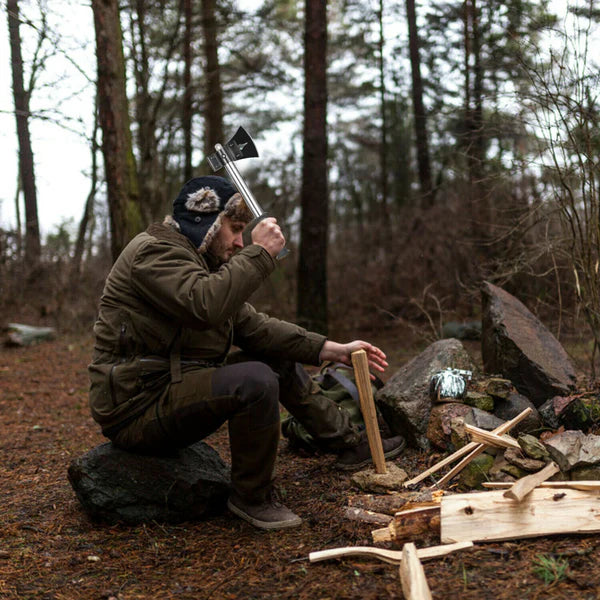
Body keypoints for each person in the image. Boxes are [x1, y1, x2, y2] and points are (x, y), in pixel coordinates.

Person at [88, 175, 405, 530]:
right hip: (137, 407)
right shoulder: (154, 252)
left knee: (274, 357)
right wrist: (260, 252)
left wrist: (331, 349)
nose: (240, 242)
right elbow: (203, 304)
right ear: (205, 222)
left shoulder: (199, 262)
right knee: (254, 380)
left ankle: (346, 443)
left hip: (171, 388)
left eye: (244, 233)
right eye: (235, 229)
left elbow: (255, 328)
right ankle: (252, 498)